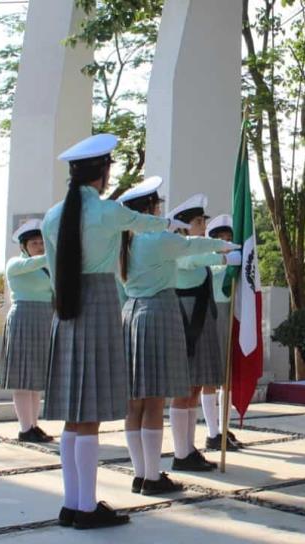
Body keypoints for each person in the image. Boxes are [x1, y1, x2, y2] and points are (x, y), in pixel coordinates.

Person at [42, 134, 183, 529]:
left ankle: (73, 504)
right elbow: (146, 222)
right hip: (101, 304)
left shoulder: (53, 216)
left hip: (66, 308)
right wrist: (172, 223)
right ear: (102, 173)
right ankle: (86, 508)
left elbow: (54, 270)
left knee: (74, 416)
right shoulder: (108, 213)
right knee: (89, 417)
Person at [117, 178, 237, 496]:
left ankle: (141, 474)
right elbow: (191, 246)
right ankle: (152, 477)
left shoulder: (125, 242)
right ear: (148, 209)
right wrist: (225, 249)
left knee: (136, 402)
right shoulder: (153, 239)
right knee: (154, 401)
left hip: (132, 313)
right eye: (156, 205)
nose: (160, 209)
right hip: (158, 313)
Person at [169, 195, 242, 470]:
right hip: (188, 317)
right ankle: (180, 452)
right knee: (185, 388)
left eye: (202, 221)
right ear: (185, 226)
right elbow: (196, 259)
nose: (203, 225)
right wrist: (226, 254)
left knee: (195, 385)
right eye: (198, 221)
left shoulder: (194, 247)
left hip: (199, 314)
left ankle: (189, 449)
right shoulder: (182, 248)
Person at [0, 219, 53, 443]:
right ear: (23, 246)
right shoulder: (15, 263)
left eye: (42, 242)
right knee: (23, 376)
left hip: (44, 318)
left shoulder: (46, 266)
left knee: (36, 376)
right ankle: (25, 427)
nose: (39, 246)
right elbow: (35, 263)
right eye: (34, 243)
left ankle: (34, 424)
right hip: (24, 317)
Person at [203, 214, 244, 450]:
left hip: (229, 312)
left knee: (226, 378)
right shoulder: (209, 260)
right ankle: (212, 432)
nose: (227, 242)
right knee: (210, 376)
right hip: (212, 312)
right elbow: (217, 273)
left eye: (230, 239)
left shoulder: (230, 260)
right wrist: (228, 259)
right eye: (222, 239)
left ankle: (223, 427)